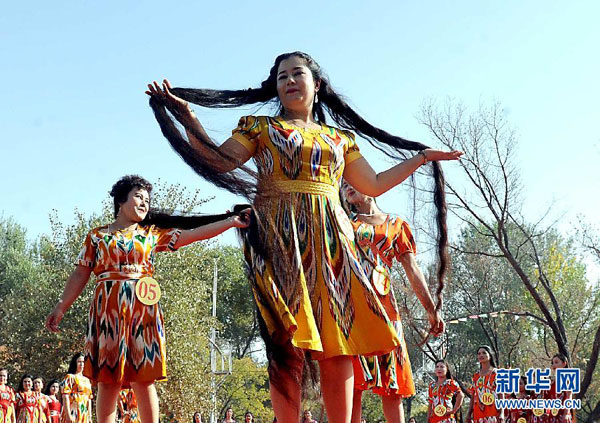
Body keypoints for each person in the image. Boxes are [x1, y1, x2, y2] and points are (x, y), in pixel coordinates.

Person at [146, 51, 461, 423]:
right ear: (276, 88)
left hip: (333, 244)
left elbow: (373, 183)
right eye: (282, 77)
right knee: (285, 343)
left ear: (317, 84)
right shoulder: (260, 128)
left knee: (339, 340)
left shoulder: (340, 138)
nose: (290, 81)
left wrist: (421, 157)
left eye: (298, 73)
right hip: (279, 240)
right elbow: (219, 161)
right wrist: (189, 118)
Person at [46, 175, 250, 423]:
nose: (145, 203)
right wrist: (61, 306)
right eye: (139, 197)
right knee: (108, 380)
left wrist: (230, 222)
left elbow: (193, 235)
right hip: (108, 311)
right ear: (121, 200)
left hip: (143, 309)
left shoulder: (151, 234)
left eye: (147, 200)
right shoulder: (97, 236)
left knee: (144, 379)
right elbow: (80, 272)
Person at [341, 182, 446, 423]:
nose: (347, 186)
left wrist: (432, 310)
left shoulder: (396, 226)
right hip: (352, 309)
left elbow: (412, 269)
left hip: (386, 310)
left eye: (353, 180)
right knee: (353, 383)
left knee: (392, 382)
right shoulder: (343, 222)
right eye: (344, 183)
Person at [465, 346, 504, 423]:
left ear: (490, 355)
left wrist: (502, 413)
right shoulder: (476, 376)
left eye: (484, 353)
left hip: (493, 412)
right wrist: (469, 413)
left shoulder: (497, 373)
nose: (481, 355)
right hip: (478, 414)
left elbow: (501, 394)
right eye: (479, 354)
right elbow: (473, 395)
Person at [60, 354, 92, 423]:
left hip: (84, 412)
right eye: (79, 362)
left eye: (83, 362)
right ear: (75, 363)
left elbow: (89, 399)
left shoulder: (87, 380)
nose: (81, 364)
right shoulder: (70, 377)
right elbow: (65, 397)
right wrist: (68, 415)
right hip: (73, 411)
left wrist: (90, 416)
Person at [547, 354, 572, 423]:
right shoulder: (552, 382)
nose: (553, 365)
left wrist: (566, 413)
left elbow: (569, 397)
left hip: (563, 414)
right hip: (552, 416)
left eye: (556, 362)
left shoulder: (567, 379)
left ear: (564, 364)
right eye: (552, 363)